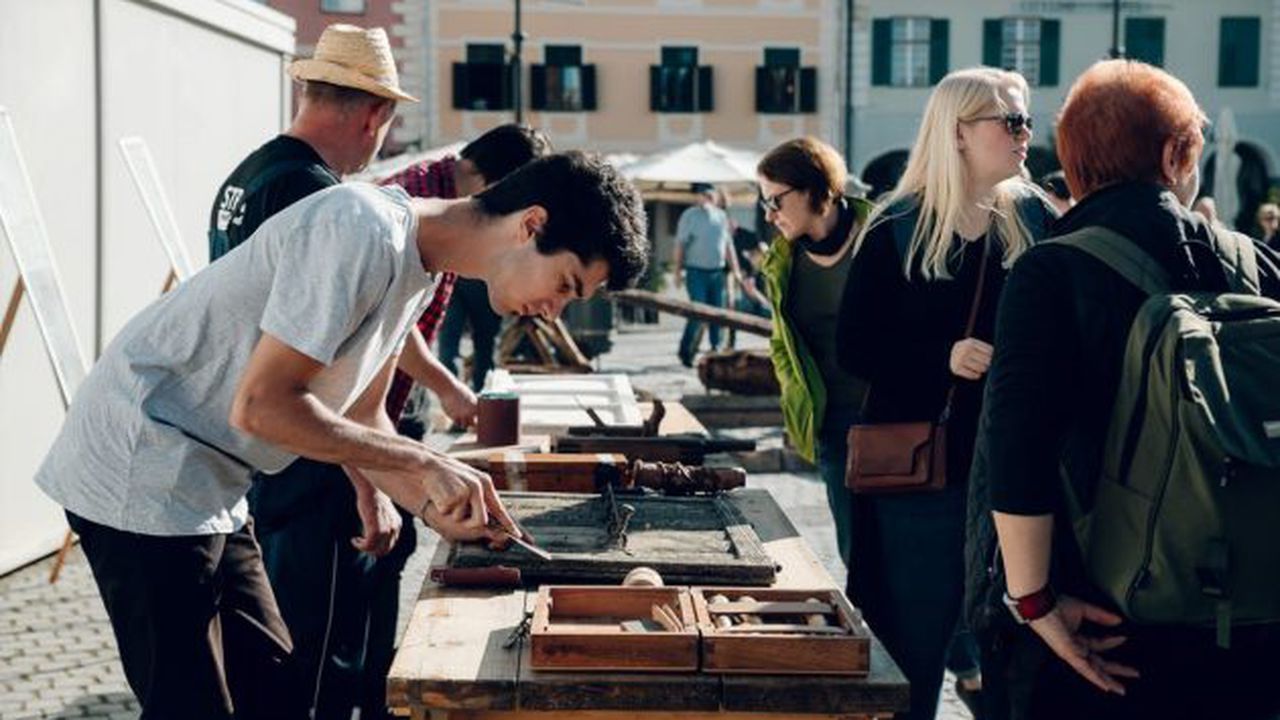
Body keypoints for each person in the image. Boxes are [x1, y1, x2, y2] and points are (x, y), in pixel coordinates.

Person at [36, 150, 648, 720]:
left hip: (209, 479)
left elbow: (362, 417)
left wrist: (434, 506)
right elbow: (264, 406)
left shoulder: (422, 268)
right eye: (566, 284)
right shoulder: (361, 228)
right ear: (531, 224)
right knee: (193, 705)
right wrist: (426, 461)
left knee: (277, 690)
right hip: (138, 462)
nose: (554, 310)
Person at [202, 25, 488, 719]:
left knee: (289, 656)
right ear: (374, 116)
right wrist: (370, 485)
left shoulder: (251, 172)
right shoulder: (317, 194)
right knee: (320, 660)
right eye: (384, 128)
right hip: (309, 461)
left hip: (271, 454)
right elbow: (324, 368)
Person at [981, 59, 1280, 720]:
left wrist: (1033, 602)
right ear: (1176, 154)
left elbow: (1016, 447)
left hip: (1103, 619)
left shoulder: (1050, 271)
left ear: (1076, 160)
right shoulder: (1255, 263)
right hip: (1253, 618)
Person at [837, 68, 1055, 720]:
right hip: (920, 481)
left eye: (1026, 120)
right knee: (911, 649)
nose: (1025, 134)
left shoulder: (1038, 219)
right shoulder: (897, 226)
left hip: (1017, 472)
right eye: (1009, 121)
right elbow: (854, 349)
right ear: (958, 132)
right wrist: (942, 360)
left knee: (1015, 652)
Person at [755, 137, 871, 572]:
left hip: (894, 415)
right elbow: (781, 344)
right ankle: (867, 635)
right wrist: (795, 397)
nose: (770, 214)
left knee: (901, 546)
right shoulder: (781, 263)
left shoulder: (881, 235)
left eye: (777, 200)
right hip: (831, 421)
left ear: (813, 188)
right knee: (854, 550)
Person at [434, 126, 553, 392]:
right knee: (469, 344)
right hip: (471, 280)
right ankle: (466, 402)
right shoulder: (435, 189)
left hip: (473, 280)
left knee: (465, 344)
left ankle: (475, 403)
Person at [673, 183, 738, 366]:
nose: (704, 198)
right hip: (696, 272)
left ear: (714, 196)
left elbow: (728, 246)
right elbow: (680, 245)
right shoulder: (689, 216)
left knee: (717, 313)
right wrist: (677, 272)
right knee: (697, 312)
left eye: (707, 194)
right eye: (700, 194)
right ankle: (685, 352)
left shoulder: (721, 216)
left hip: (717, 272)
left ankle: (715, 351)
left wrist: (736, 270)